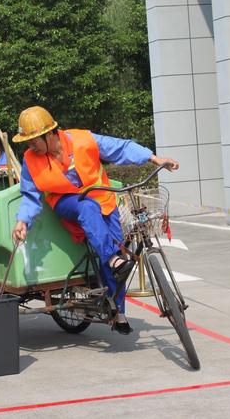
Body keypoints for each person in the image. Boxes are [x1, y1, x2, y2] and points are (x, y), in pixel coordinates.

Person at [11, 106, 179, 335]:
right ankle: (112, 260)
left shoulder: (82, 140)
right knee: (92, 217)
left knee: (118, 253)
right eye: (27, 142)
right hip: (66, 202)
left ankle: (118, 311)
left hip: (103, 198)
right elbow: (30, 196)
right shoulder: (31, 160)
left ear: (49, 133)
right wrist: (22, 220)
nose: (30, 146)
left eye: (33, 141)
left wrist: (153, 158)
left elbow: (119, 147)